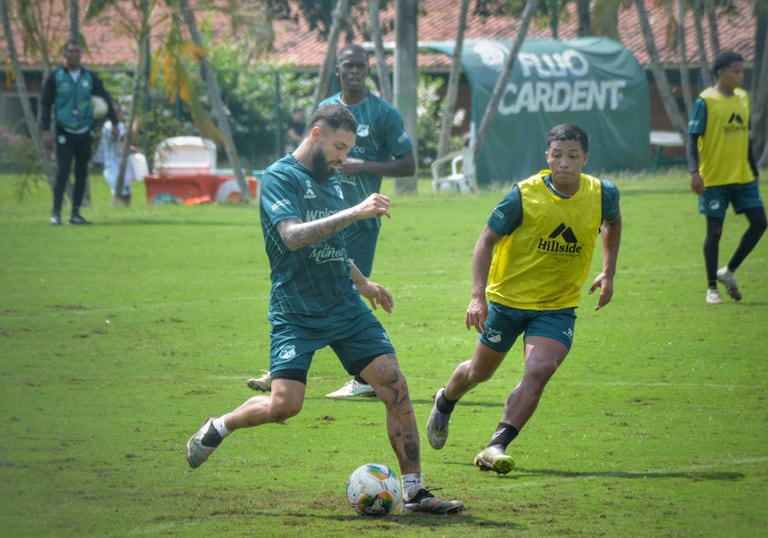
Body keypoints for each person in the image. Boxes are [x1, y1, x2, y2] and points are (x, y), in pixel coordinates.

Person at [185, 104, 463, 514]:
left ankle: (416, 492)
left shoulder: (332, 178)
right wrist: (356, 211)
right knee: (285, 406)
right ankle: (219, 426)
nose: (343, 157)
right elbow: (294, 236)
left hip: (344, 305)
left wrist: (361, 282)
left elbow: (331, 244)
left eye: (348, 149)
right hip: (296, 309)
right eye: (338, 146)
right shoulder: (280, 177)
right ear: (315, 133)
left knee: (394, 384)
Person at [425, 124, 622, 474]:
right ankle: (445, 399)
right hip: (508, 301)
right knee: (477, 373)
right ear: (547, 156)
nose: (565, 163)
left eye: (573, 156)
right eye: (557, 155)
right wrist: (476, 297)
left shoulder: (602, 193)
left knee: (540, 369)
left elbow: (613, 221)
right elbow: (485, 241)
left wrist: (608, 271)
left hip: (557, 306)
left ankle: (496, 444)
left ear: (585, 158)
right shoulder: (523, 196)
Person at [248, 44, 416, 398]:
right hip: (326, 214)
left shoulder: (382, 112)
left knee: (341, 293)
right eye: (347, 66)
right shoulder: (326, 113)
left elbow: (409, 165)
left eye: (360, 66)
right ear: (337, 69)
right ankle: (288, 368)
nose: (354, 71)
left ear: (368, 70)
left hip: (363, 219)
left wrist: (362, 167)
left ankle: (357, 376)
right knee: (321, 287)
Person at [687, 51, 766, 305]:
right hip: (714, 179)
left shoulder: (743, 98)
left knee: (760, 223)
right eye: (735, 71)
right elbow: (692, 139)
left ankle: (728, 271)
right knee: (715, 232)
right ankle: (712, 288)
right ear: (720, 72)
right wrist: (694, 172)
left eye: (742, 71)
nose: (739, 76)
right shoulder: (705, 101)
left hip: (742, 177)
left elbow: (745, 139)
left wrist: (753, 170)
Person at [41, 40, 119, 225]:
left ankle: (75, 213)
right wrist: (45, 130)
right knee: (63, 170)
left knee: (82, 171)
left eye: (77, 52)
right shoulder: (55, 77)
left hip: (84, 130)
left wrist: (114, 122)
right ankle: (56, 212)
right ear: (64, 54)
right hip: (64, 130)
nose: (74, 55)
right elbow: (45, 103)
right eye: (71, 51)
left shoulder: (89, 77)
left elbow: (105, 98)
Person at [99, 104, 141, 205]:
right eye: (120, 111)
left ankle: (122, 213)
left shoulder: (117, 125)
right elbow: (126, 139)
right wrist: (135, 124)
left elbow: (121, 144)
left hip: (121, 164)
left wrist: (130, 149)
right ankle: (116, 211)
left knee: (125, 194)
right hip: (114, 166)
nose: (122, 113)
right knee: (120, 194)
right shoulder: (110, 126)